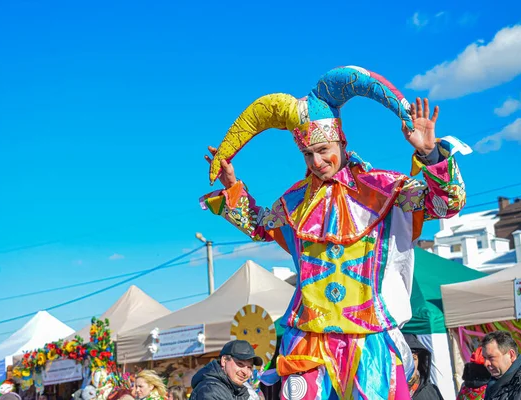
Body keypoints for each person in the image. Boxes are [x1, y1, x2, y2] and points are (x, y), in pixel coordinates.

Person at [201, 66, 469, 399]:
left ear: (341, 141)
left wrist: (429, 154)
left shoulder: (384, 189)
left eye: (323, 149)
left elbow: (447, 203)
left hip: (368, 338)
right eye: (307, 154)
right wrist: (232, 187)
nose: (316, 161)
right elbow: (261, 226)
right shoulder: (294, 204)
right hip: (308, 339)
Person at [190, 340, 263, 400]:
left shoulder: (236, 390)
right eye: (240, 364)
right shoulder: (210, 390)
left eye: (249, 367)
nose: (245, 372)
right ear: (224, 360)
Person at [403, 334, 444, 400]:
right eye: (405, 360)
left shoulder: (431, 391)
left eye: (413, 358)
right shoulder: (386, 393)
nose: (410, 364)